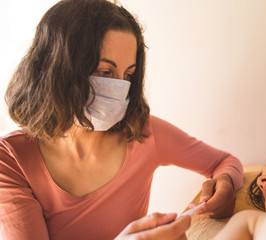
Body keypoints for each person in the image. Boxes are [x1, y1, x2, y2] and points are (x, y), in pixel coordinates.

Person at [0, 0, 243, 239]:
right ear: (58, 68)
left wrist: (225, 183)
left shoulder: (145, 133)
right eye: (105, 72)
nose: (118, 88)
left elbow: (224, 161)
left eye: (128, 75)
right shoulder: (11, 160)